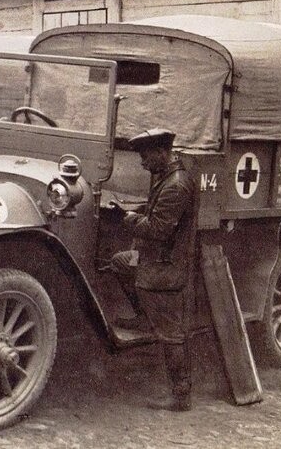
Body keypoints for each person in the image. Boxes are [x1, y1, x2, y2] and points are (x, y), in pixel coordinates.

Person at [109, 128, 198, 412]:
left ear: (161, 153)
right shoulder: (166, 178)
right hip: (154, 259)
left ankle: (180, 396)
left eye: (146, 156)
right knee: (120, 262)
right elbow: (156, 212)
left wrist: (130, 219)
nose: (142, 162)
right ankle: (144, 317)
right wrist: (135, 211)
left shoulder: (176, 185)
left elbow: (159, 229)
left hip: (165, 268)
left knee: (172, 335)